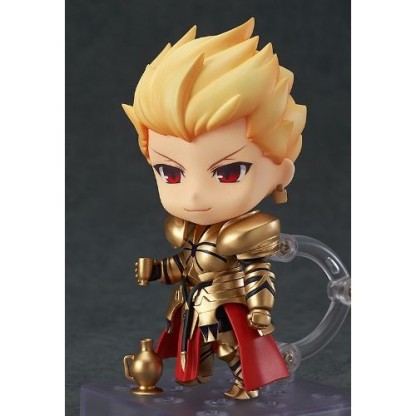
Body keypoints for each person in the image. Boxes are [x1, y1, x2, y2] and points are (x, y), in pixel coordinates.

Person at [122, 18, 306, 400]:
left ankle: (246, 382)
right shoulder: (185, 229)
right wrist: (157, 270)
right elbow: (186, 264)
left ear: (280, 172)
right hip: (193, 301)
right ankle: (202, 377)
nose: (193, 196)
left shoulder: (247, 232)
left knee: (230, 346)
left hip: (228, 302)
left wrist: (259, 309)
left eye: (228, 172)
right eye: (170, 172)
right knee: (192, 350)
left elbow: (258, 272)